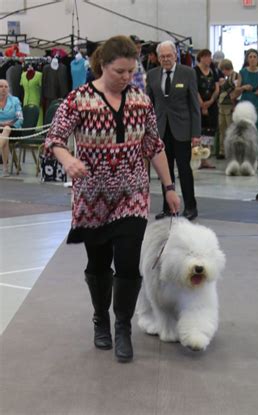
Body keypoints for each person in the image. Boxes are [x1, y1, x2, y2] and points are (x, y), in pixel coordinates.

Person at [44, 35, 180, 363]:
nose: (126, 77)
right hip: (92, 198)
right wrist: (68, 160)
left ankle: (123, 326)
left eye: (131, 71)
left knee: (129, 263)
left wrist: (169, 186)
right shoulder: (78, 100)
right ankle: (100, 319)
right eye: (119, 71)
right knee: (99, 264)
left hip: (132, 194)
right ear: (103, 65)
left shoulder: (140, 100)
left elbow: (153, 146)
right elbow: (55, 139)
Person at [146, 40, 201, 221]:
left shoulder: (188, 73)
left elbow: (194, 105)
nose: (166, 59)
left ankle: (190, 207)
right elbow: (149, 105)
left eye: (169, 56)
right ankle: (168, 207)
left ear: (176, 56)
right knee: (165, 170)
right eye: (162, 57)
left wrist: (196, 133)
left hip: (183, 129)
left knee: (184, 169)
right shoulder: (152, 75)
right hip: (161, 131)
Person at [194, 49, 220, 169]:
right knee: (199, 131)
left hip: (211, 105)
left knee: (209, 132)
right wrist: (202, 104)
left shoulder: (213, 71)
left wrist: (210, 102)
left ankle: (206, 158)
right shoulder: (195, 71)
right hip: (198, 104)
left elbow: (217, 88)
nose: (209, 59)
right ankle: (197, 158)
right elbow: (194, 88)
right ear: (201, 58)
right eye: (207, 57)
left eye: (210, 57)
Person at [234, 48, 258, 137]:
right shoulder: (242, 72)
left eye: (254, 57)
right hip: (245, 102)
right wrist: (243, 87)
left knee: (257, 130)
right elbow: (236, 90)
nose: (252, 59)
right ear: (247, 59)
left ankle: (257, 150)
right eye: (250, 57)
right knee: (244, 131)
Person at [0, 79, 23, 177]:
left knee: (7, 130)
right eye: (1, 86)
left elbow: (20, 118)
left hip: (14, 127)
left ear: (9, 88)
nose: (4, 89)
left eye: (6, 86)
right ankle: (5, 168)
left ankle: (5, 167)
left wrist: (9, 123)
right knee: (4, 137)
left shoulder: (15, 100)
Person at [217, 58, 238, 159]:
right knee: (222, 129)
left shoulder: (235, 76)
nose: (222, 72)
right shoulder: (226, 77)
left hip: (230, 106)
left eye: (223, 69)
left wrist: (235, 106)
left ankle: (231, 151)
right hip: (222, 106)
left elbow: (235, 91)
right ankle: (222, 151)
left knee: (231, 130)